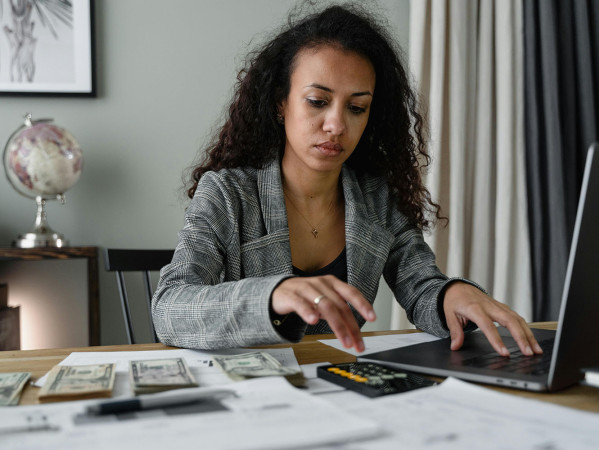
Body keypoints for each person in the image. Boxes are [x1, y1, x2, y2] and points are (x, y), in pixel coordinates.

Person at [152, 3, 542, 357]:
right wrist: (271, 296)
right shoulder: (227, 194)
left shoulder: (375, 199)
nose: (337, 124)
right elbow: (169, 307)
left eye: (357, 107)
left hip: (342, 388)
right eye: (318, 101)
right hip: (254, 395)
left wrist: (453, 293)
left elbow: (421, 286)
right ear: (280, 103)